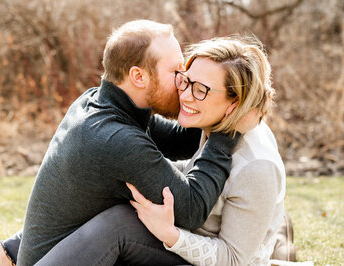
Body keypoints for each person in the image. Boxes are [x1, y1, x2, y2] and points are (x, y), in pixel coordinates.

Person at [0, 20, 256, 266]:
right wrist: (227, 130)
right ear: (138, 76)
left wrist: (219, 103)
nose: (183, 83)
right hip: (65, 258)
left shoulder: (96, 103)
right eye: (176, 73)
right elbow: (191, 208)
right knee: (127, 222)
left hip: (55, 254)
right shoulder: (116, 140)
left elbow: (180, 140)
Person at [25, 36, 287, 266]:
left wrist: (171, 235)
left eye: (201, 90)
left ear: (234, 104)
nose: (183, 95)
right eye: (185, 80)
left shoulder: (257, 164)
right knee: (120, 205)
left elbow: (232, 259)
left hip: (199, 254)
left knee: (118, 223)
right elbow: (189, 167)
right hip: (174, 244)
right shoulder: (212, 125)